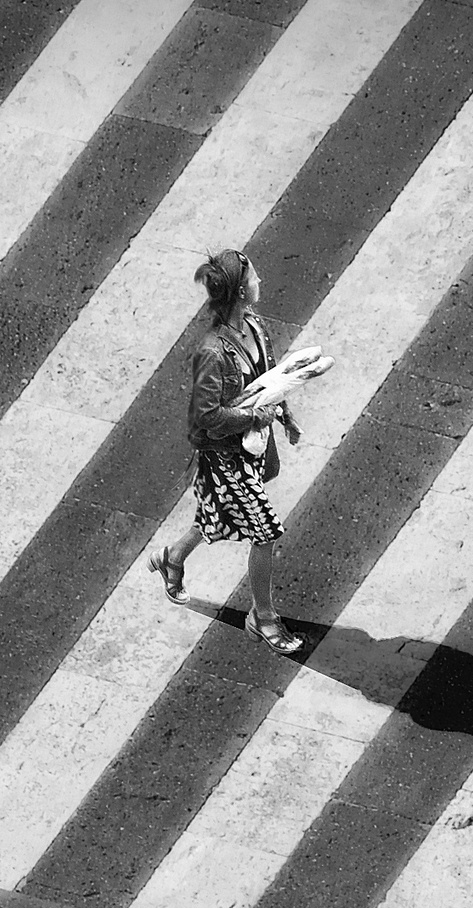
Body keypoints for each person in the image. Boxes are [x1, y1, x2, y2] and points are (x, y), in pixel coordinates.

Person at [150, 249, 306, 654]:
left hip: (249, 453)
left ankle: (173, 557)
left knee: (218, 514)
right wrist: (255, 418)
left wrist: (284, 416)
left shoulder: (255, 326)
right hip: (222, 459)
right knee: (266, 532)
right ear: (240, 289)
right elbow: (207, 416)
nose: (261, 280)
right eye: (254, 276)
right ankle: (263, 617)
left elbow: (272, 380)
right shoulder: (212, 353)